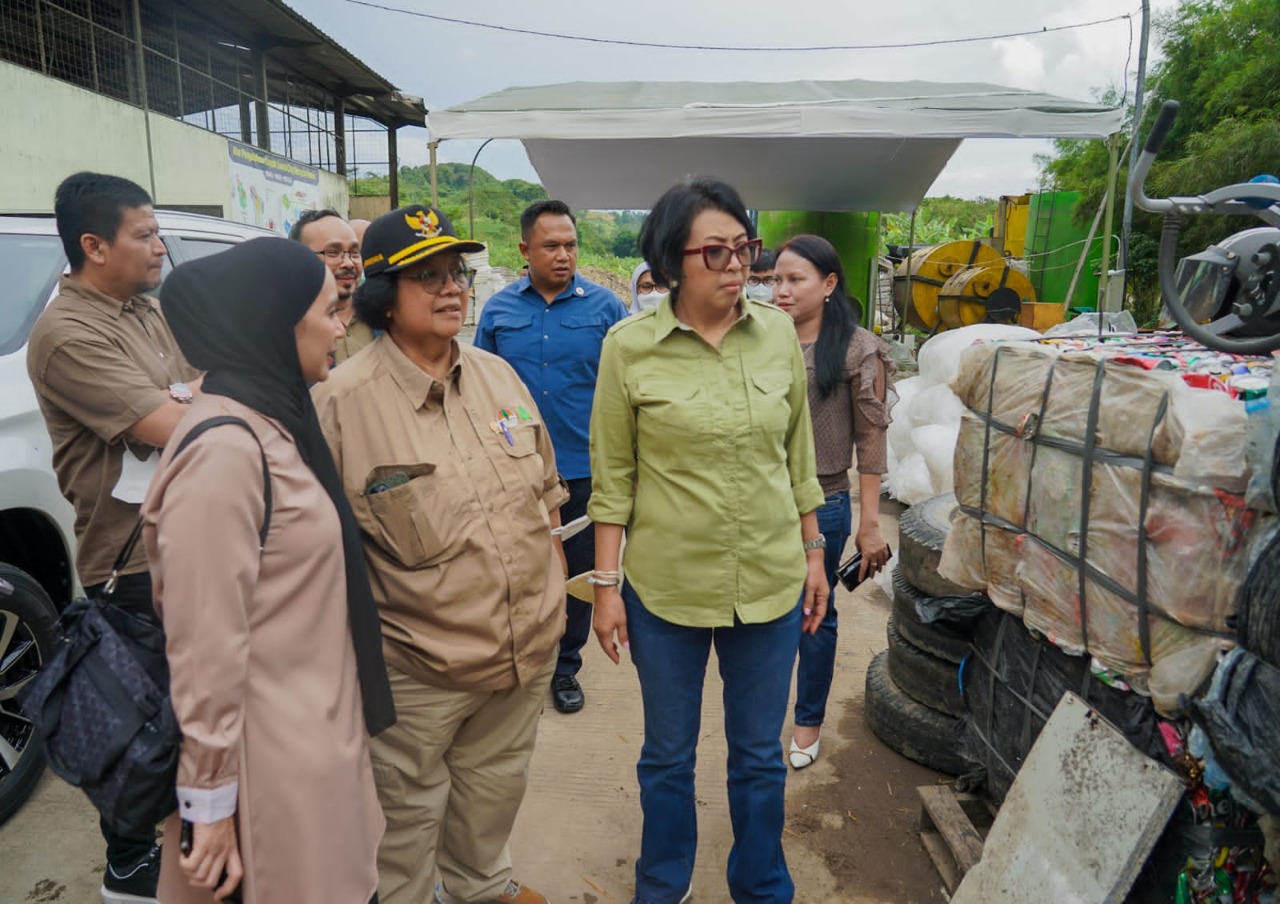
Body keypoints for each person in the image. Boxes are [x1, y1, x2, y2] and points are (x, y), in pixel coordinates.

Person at [313, 205, 567, 904]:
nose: (452, 287)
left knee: (493, 793)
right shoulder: (340, 404)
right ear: (383, 299)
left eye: (456, 271)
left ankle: (482, 889)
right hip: (419, 670)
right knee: (403, 821)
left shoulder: (498, 378)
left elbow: (546, 492)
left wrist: (551, 600)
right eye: (426, 276)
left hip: (521, 653)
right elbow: (319, 558)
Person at [589, 176, 828, 904]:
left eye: (744, 249)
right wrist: (605, 590)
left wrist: (815, 554)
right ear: (669, 263)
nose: (737, 267)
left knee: (758, 758)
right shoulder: (628, 348)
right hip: (667, 591)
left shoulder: (778, 333)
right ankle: (662, 883)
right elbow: (614, 478)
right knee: (667, 756)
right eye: (715, 252)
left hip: (769, 580)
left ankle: (760, 884)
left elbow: (798, 455)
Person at [143, 238, 395, 904]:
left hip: (313, 745)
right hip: (268, 773)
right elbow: (204, 647)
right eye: (328, 309)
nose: (343, 325)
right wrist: (210, 806)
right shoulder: (227, 449)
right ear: (273, 322)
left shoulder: (274, 420)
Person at [26, 171, 203, 904]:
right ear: (94, 246)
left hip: (185, 537)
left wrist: (189, 399)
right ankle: (131, 874)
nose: (161, 247)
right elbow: (182, 423)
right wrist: (186, 403)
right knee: (146, 738)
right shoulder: (67, 333)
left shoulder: (141, 311)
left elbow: (196, 392)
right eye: (145, 234)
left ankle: (189, 858)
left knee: (190, 724)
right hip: (132, 564)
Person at [475, 199, 630, 715]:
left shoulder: (606, 309)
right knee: (513, 571)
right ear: (525, 250)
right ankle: (517, 662)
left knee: (578, 576)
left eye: (571, 245)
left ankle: (565, 668)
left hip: (584, 469)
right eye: (551, 246)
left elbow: (628, 390)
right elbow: (479, 388)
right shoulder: (499, 311)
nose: (564, 255)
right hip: (515, 472)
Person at [773, 235, 895, 770]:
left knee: (812, 616)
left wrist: (870, 524)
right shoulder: (758, 339)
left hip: (823, 501)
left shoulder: (856, 348)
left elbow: (871, 442)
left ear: (828, 285)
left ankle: (808, 720)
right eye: (775, 279)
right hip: (761, 502)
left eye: (794, 279)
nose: (781, 290)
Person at [291, 208, 375, 365]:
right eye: (333, 252)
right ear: (300, 258)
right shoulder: (289, 328)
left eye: (355, 253)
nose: (349, 263)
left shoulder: (382, 317)